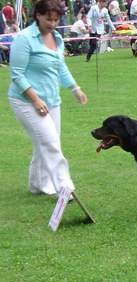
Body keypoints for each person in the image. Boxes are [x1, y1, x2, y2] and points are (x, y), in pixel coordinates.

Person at [8, 0, 88, 198]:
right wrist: (35, 100)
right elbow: (16, 74)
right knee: (50, 143)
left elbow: (60, 67)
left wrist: (75, 88)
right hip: (25, 101)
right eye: (47, 19)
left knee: (43, 142)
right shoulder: (24, 39)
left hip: (52, 100)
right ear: (37, 15)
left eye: (55, 19)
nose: (52, 23)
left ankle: (37, 184)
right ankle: (65, 188)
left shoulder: (58, 37)